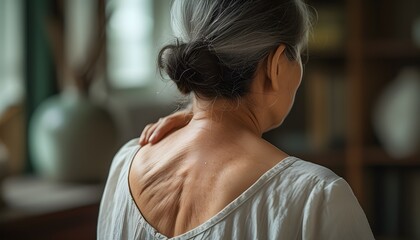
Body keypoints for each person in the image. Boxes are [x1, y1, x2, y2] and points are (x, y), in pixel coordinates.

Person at [98, 0, 375, 239]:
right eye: (299, 55)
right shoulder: (316, 200)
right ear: (275, 65)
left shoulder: (125, 165)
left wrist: (198, 116)